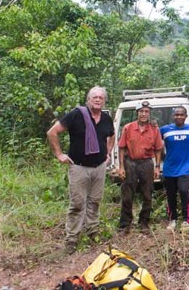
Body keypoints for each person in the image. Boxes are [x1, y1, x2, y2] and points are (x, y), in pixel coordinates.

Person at [47, 86, 115, 254]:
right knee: (77, 204)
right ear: (88, 100)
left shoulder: (106, 118)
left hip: (99, 167)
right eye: (94, 97)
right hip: (78, 167)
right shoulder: (76, 115)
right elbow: (52, 132)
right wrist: (59, 154)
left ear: (104, 100)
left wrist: (108, 153)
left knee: (95, 201)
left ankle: (93, 232)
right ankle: (72, 239)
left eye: (101, 97)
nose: (98, 99)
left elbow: (112, 135)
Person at [117, 100, 163, 234]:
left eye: (146, 112)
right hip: (130, 162)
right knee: (127, 194)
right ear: (137, 113)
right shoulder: (128, 127)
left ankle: (144, 222)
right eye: (141, 111)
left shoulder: (154, 129)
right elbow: (121, 148)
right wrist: (121, 167)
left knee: (147, 193)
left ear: (149, 114)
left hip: (147, 163)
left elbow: (158, 149)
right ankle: (124, 224)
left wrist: (157, 167)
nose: (144, 114)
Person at [160, 106, 189, 231]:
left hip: (185, 168)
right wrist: (162, 155)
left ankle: (186, 219)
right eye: (176, 115)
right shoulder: (165, 130)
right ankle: (172, 219)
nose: (179, 117)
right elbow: (154, 139)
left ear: (186, 116)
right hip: (169, 168)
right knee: (170, 195)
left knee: (184, 191)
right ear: (173, 116)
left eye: (181, 114)